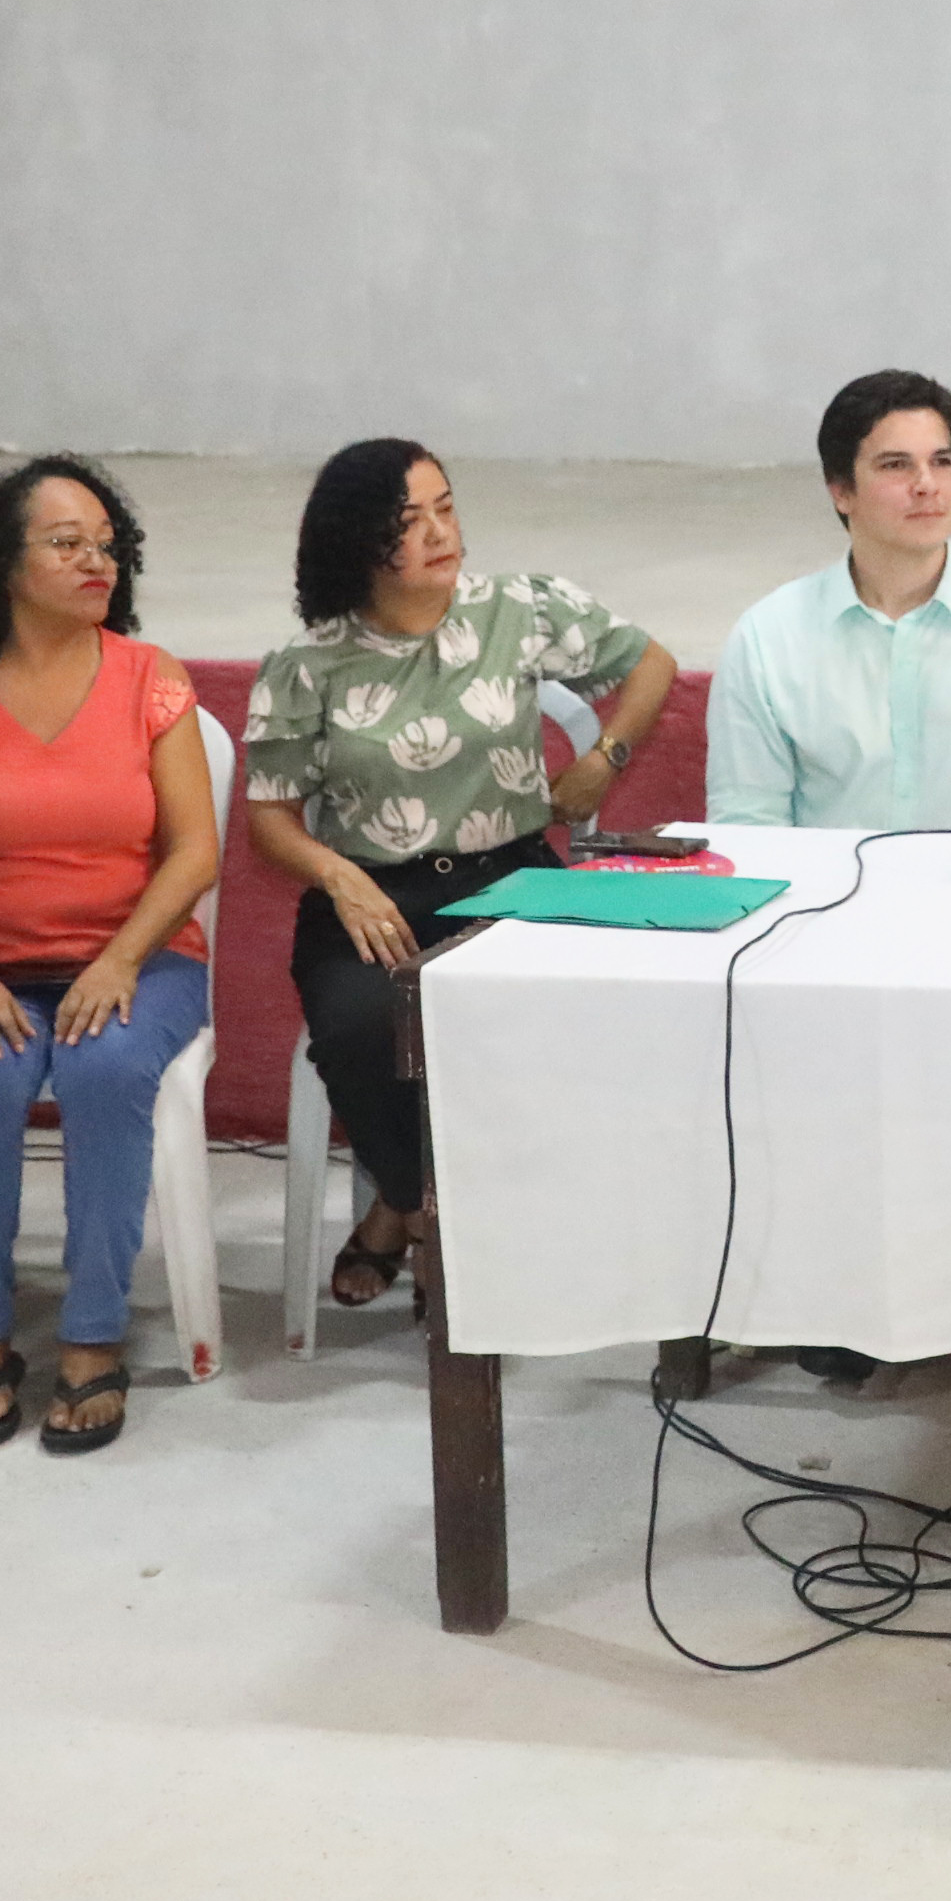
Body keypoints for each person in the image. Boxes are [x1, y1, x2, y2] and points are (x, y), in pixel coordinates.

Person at [242, 439, 675, 1320]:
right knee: (360, 1028)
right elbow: (270, 819)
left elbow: (651, 663)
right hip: (373, 895)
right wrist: (336, 875)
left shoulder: (519, 608)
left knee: (540, 1025)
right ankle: (420, 1211)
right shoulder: (307, 663)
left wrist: (604, 758)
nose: (441, 533)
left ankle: (410, 1215)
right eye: (409, 522)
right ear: (357, 541)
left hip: (511, 880)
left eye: (446, 508)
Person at [0, 459, 222, 1455]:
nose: (95, 561)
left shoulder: (149, 677)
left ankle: (93, 1335)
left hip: (140, 961)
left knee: (106, 1068)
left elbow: (195, 852)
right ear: (4, 560)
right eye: (67, 543)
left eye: (108, 545)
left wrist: (119, 961)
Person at [705, 369, 951, 837]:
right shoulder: (768, 639)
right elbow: (749, 825)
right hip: (824, 887)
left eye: (942, 462)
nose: (926, 484)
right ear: (841, 491)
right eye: (896, 465)